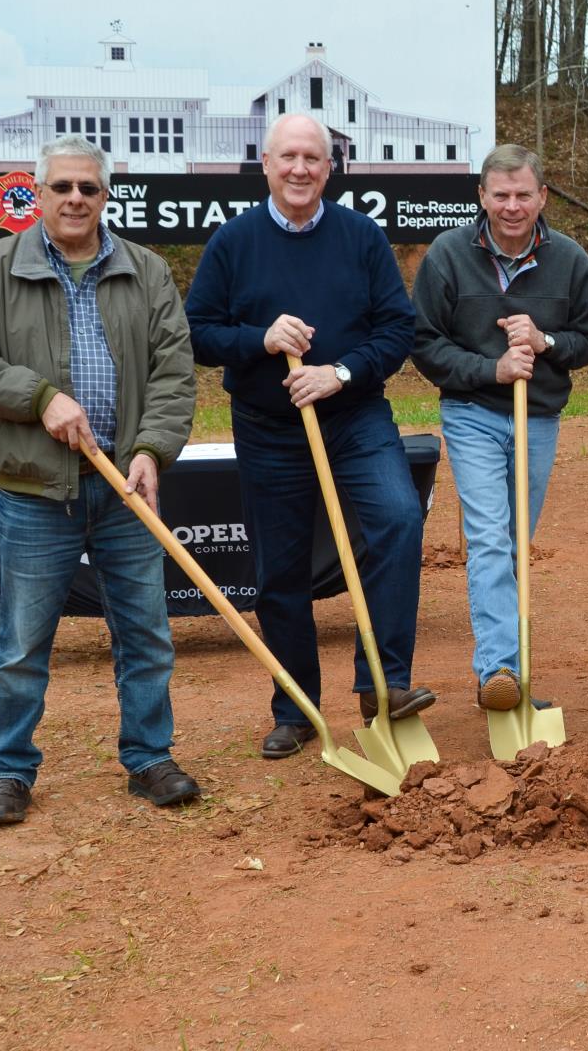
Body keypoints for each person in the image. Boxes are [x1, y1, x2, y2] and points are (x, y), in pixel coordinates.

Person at [0, 135, 200, 826]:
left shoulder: (145, 271)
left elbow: (174, 373)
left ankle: (149, 757)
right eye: (62, 187)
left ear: (105, 196)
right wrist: (38, 395)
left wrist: (151, 449)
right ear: (39, 194)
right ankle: (9, 771)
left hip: (124, 491)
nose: (76, 198)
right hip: (32, 495)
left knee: (146, 635)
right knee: (22, 646)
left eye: (89, 187)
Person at [184, 113, 431, 761]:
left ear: (330, 168)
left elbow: (396, 329)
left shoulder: (361, 238)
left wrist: (340, 372)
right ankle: (294, 709)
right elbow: (198, 331)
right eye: (287, 156)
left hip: (354, 417)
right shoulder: (235, 243)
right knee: (279, 570)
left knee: (400, 519)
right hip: (268, 429)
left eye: (312, 159)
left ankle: (385, 684)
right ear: (265, 164)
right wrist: (259, 340)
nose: (299, 168)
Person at [411, 143, 588, 710]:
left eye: (524, 195)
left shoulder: (568, 259)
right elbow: (424, 343)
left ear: (542, 196)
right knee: (490, 539)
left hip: (538, 417)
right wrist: (490, 368)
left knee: (515, 542)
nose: (513, 206)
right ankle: (500, 671)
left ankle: (505, 663)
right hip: (472, 413)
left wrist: (544, 342)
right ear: (482, 197)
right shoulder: (448, 254)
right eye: (501, 195)